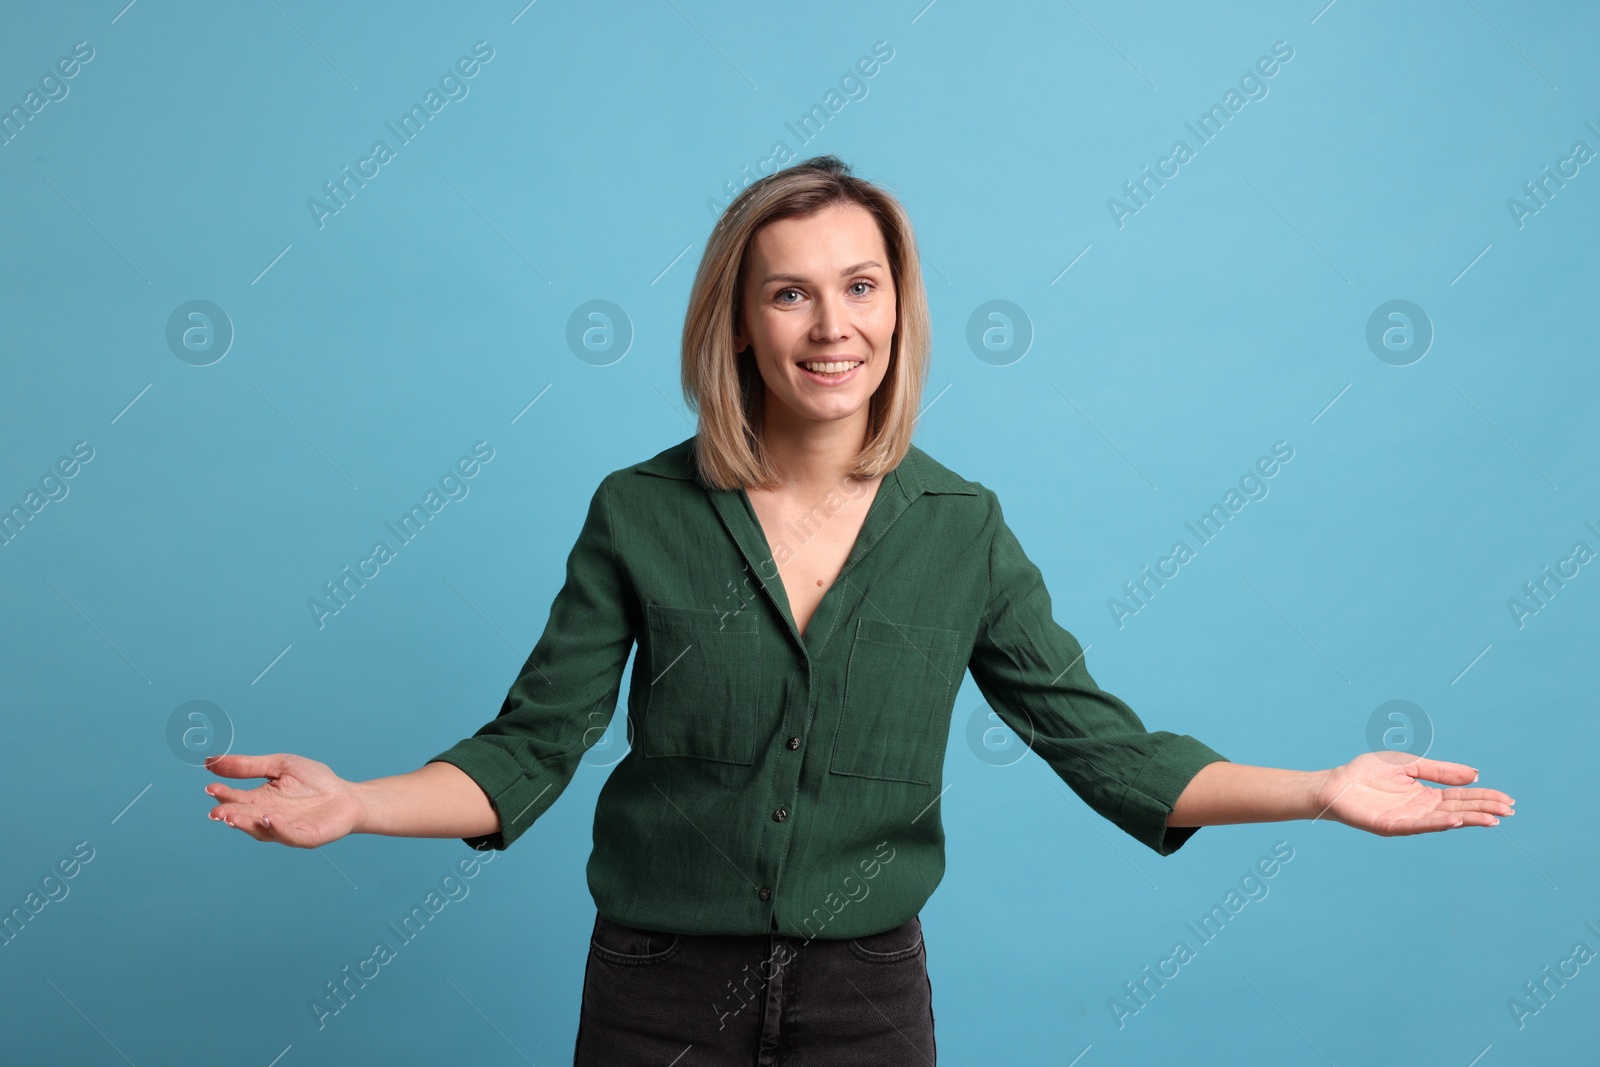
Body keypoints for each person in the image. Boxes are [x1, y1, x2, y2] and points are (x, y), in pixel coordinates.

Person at [203, 155, 1514, 1064]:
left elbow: (1112, 755)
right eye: (790, 290)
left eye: (862, 284)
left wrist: (1323, 788)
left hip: (867, 1000)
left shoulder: (963, 528)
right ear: (739, 320)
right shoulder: (639, 513)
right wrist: (360, 802)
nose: (833, 325)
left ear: (900, 304)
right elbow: (531, 750)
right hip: (657, 993)